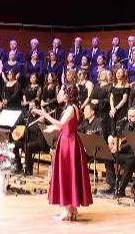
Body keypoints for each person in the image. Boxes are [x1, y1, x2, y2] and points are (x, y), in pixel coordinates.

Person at [31, 84, 92, 221]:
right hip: (68, 141)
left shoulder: (71, 108)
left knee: (67, 175)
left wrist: (44, 115)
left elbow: (60, 124)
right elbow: (63, 126)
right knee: (69, 174)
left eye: (62, 92)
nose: (59, 94)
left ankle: (67, 210)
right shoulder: (70, 107)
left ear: (68, 94)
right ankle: (71, 208)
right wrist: (52, 128)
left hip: (68, 144)